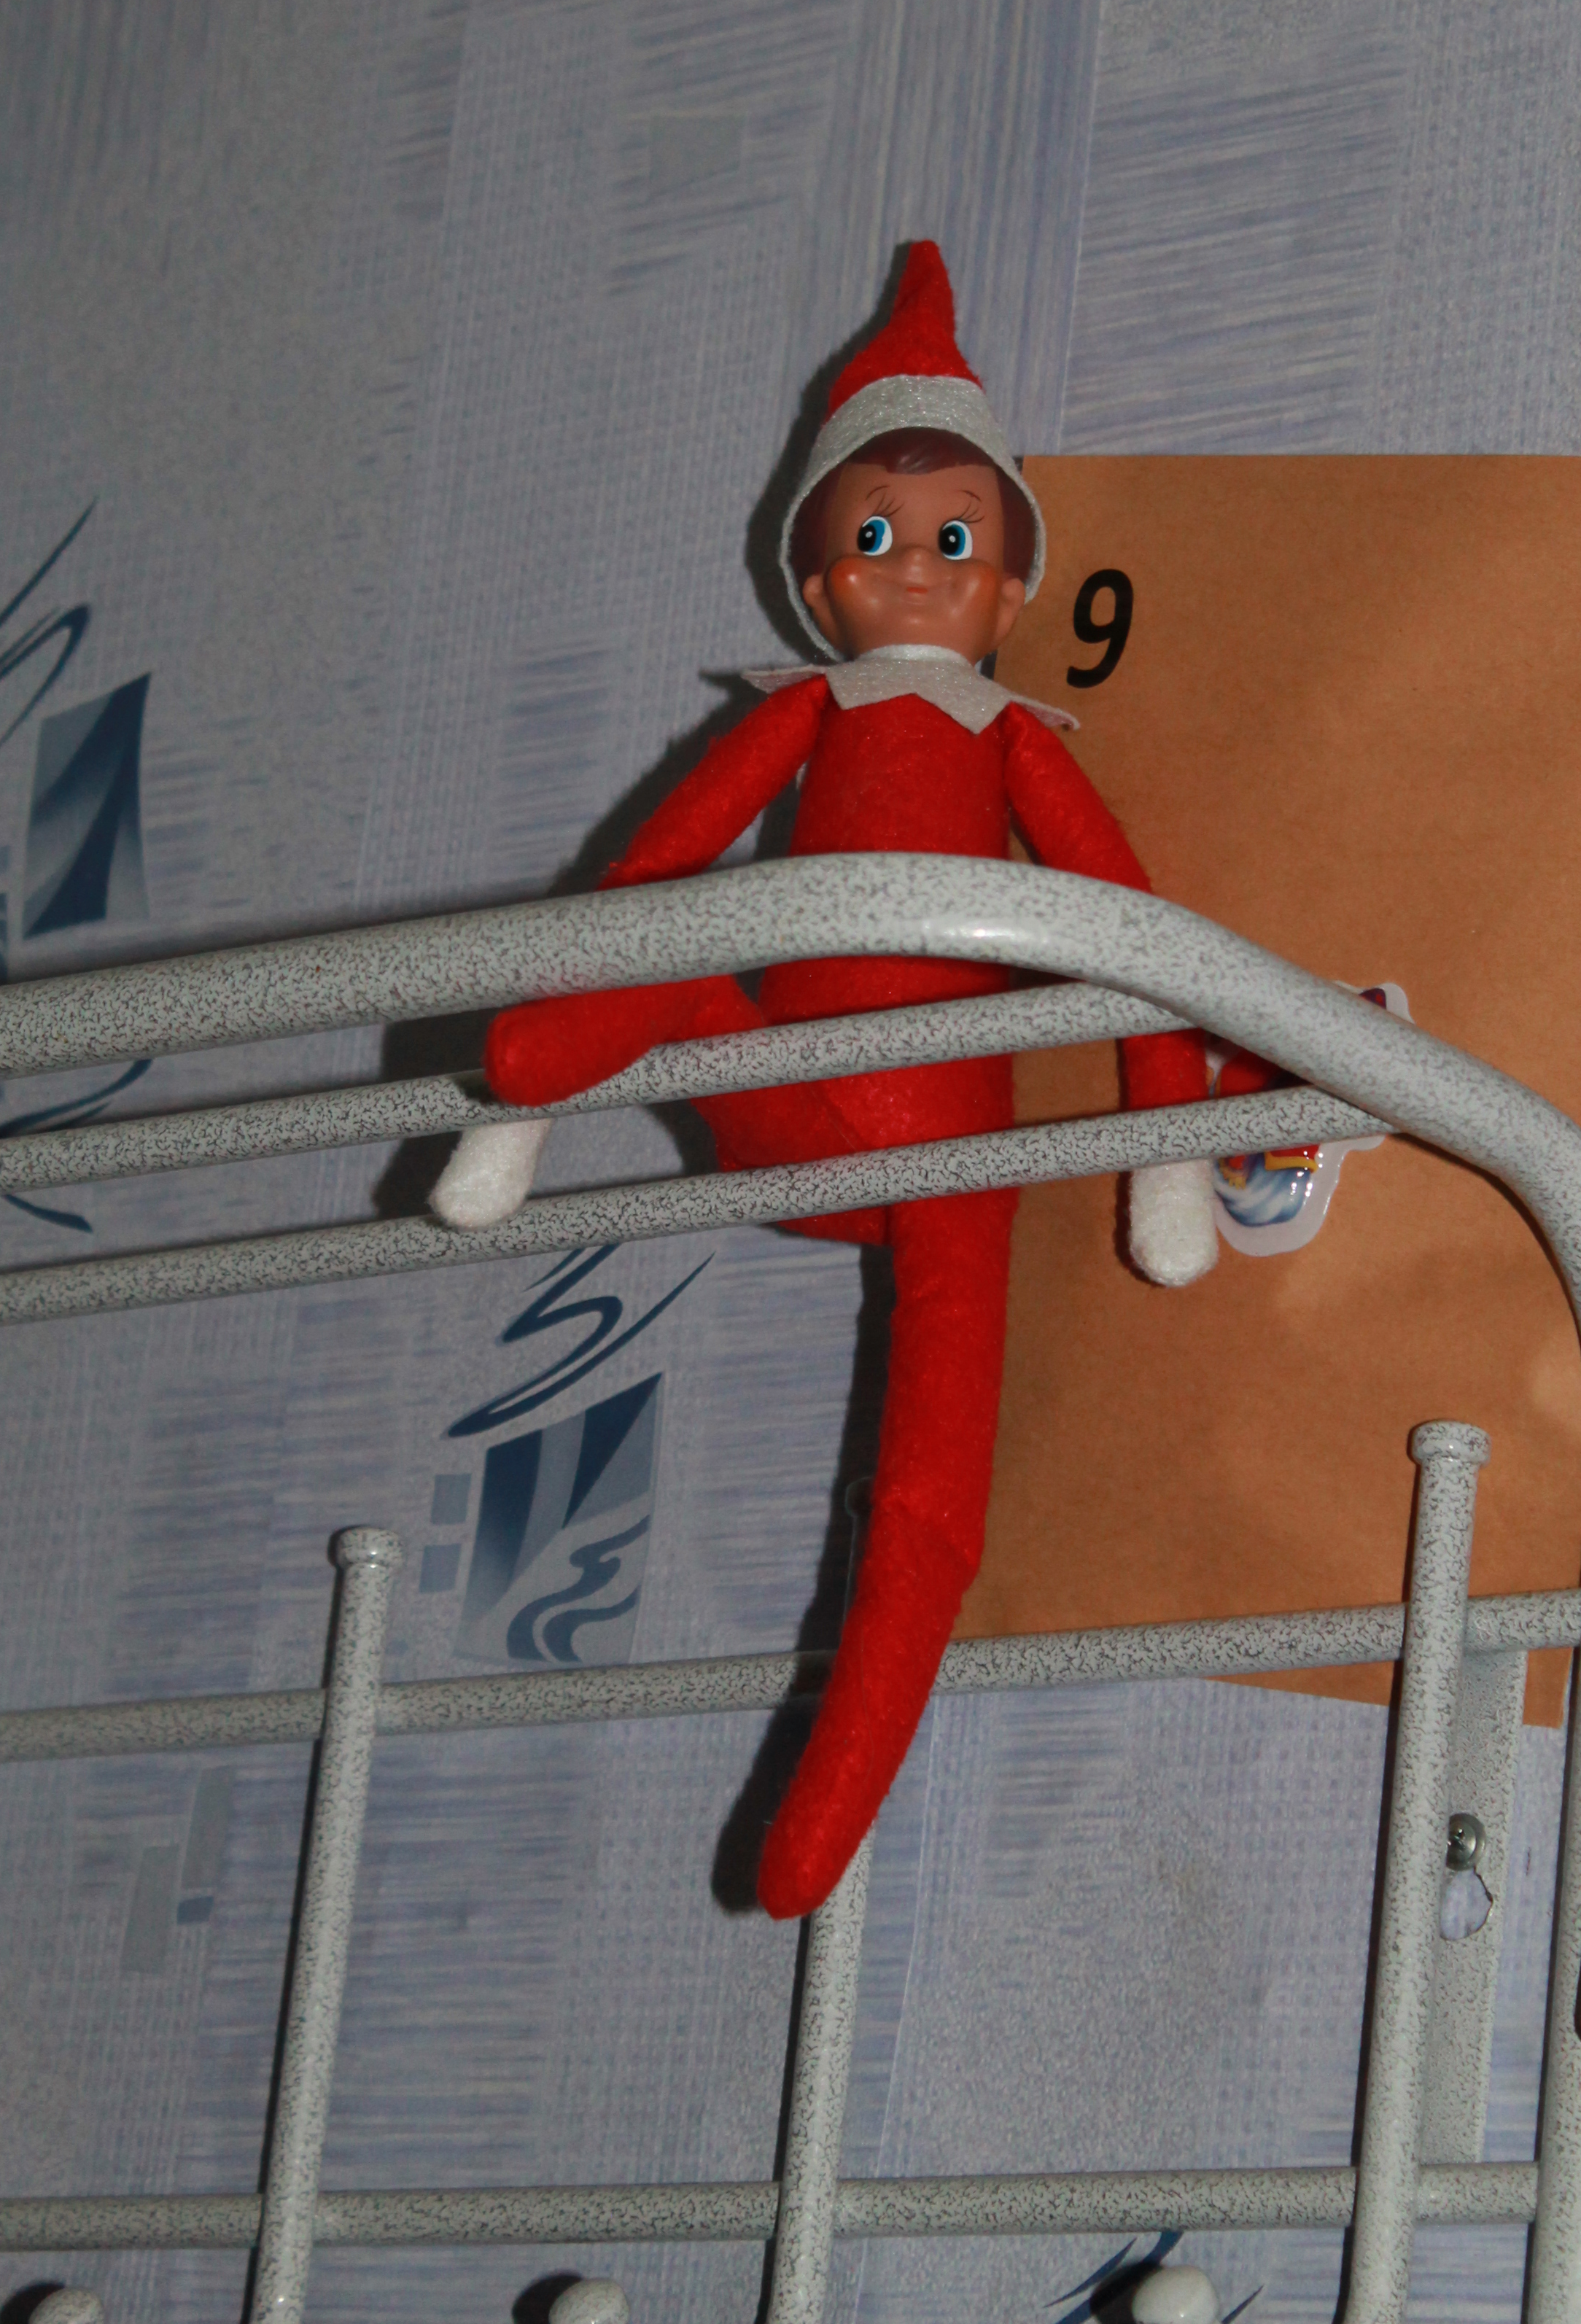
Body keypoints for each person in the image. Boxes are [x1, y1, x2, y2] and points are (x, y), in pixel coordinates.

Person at [432, 243, 1243, 1918]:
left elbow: (1135, 937)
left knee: (931, 1503)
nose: (915, 569)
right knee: (658, 962)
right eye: (875, 540)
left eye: (952, 541)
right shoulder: (802, 715)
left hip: (951, 1165)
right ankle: (521, 1091)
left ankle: (816, 1834)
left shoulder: (1012, 743)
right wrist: (540, 1061)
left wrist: (1166, 1163)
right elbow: (654, 870)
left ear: (1008, 592)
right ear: (819, 587)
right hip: (787, 1112)